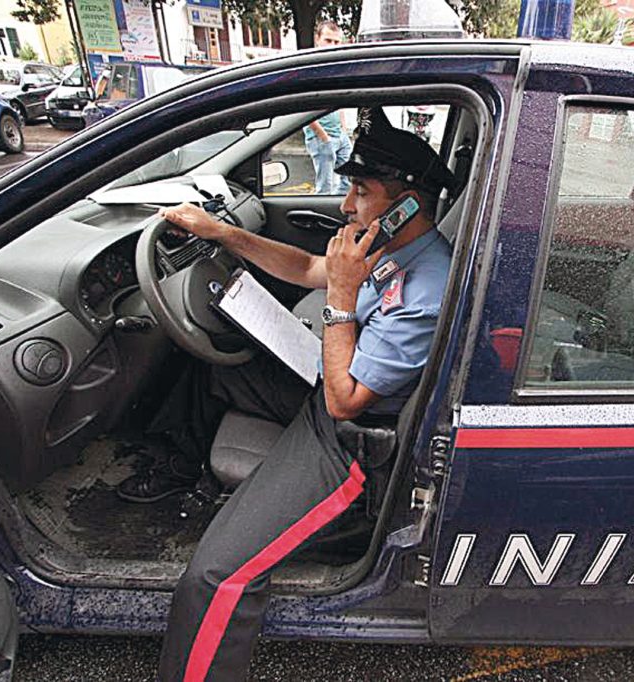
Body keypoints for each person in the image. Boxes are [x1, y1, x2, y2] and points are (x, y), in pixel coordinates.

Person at [153, 107, 456, 681]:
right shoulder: (391, 252)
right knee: (209, 371)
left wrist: (342, 296)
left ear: (409, 205)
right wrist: (223, 235)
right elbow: (312, 266)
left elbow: (345, 401)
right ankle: (182, 483)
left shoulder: (427, 289)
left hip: (347, 440)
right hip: (325, 389)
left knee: (216, 578)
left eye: (360, 192)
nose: (345, 206)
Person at [305, 21, 352, 195]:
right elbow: (303, 107)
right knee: (325, 188)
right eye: (328, 40)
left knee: (348, 184)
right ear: (317, 39)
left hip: (340, 135)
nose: (333, 46)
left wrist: (344, 129)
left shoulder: (334, 69)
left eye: (336, 42)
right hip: (322, 138)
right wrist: (322, 135)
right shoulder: (310, 70)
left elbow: (339, 102)